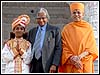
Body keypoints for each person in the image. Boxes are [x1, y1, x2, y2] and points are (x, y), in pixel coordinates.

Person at [58, 2, 98, 73]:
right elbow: (63, 47)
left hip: (85, 62)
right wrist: (72, 58)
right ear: (71, 15)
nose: (76, 15)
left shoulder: (88, 27)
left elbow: (91, 47)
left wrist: (79, 57)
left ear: (83, 14)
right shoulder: (66, 29)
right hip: (70, 63)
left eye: (78, 12)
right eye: (74, 12)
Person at [27, 7, 62, 73]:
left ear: (47, 18)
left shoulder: (54, 31)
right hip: (34, 64)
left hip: (48, 65)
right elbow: (27, 46)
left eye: (43, 18)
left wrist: (54, 64)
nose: (41, 20)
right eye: (39, 18)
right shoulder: (32, 31)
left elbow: (58, 48)